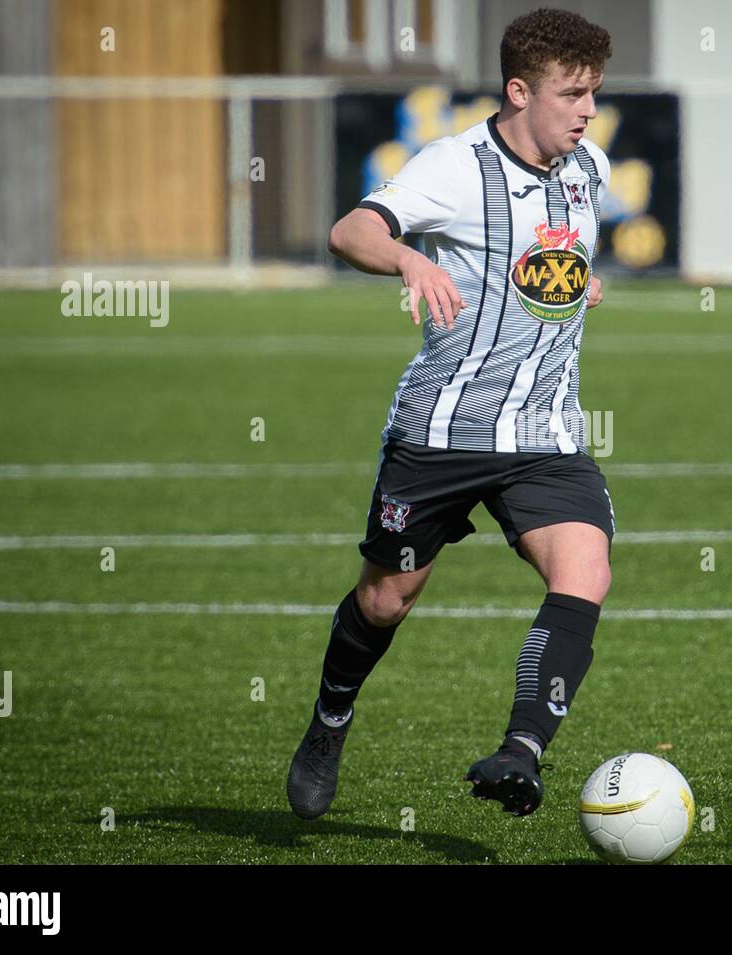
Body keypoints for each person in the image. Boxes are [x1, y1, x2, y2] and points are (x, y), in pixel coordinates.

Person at [287, 8, 615, 819]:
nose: (586, 111)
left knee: (586, 572)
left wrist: (579, 281)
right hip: (442, 432)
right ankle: (331, 717)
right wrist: (405, 259)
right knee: (386, 599)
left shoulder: (589, 169)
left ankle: (521, 752)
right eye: (572, 94)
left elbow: (547, 261)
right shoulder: (456, 166)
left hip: (545, 434)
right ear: (517, 91)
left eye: (593, 94)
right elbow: (351, 229)